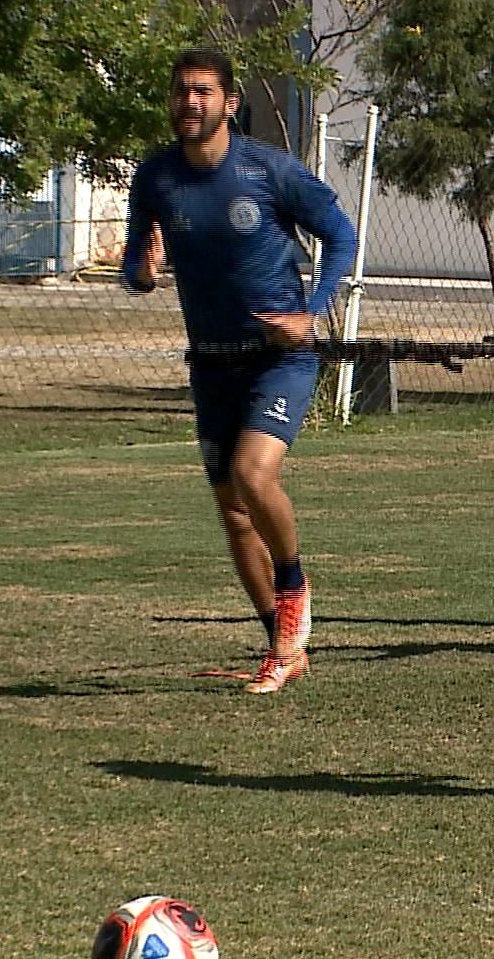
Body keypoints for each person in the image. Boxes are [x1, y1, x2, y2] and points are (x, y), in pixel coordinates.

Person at [122, 47, 357, 694]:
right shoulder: (156, 179)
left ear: (229, 102)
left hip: (278, 360)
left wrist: (311, 313)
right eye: (179, 91)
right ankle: (281, 647)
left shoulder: (269, 170)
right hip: (211, 367)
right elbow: (133, 266)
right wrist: (142, 272)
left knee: (253, 475)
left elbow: (341, 234)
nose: (188, 102)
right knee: (232, 512)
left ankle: (294, 583)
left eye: (202, 91)